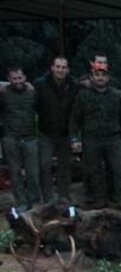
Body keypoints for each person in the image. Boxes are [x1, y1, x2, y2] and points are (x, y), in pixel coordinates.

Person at [68, 63, 121, 210]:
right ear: (92, 77)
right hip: (91, 138)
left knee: (119, 170)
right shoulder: (83, 95)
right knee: (94, 171)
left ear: (108, 77)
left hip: (114, 138)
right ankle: (98, 200)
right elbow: (75, 119)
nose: (100, 78)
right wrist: (75, 138)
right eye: (97, 75)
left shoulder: (118, 95)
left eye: (103, 75)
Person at [35, 56, 77, 204]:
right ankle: (47, 199)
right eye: (58, 66)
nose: (60, 70)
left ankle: (63, 197)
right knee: (44, 166)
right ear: (52, 68)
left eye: (63, 67)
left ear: (68, 70)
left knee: (64, 168)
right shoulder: (40, 84)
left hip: (65, 134)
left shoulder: (74, 85)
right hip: (45, 133)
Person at [1, 66, 41, 210]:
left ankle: (35, 201)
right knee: (15, 173)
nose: (17, 81)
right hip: (11, 139)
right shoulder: (4, 93)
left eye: (20, 78)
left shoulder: (32, 92)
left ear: (25, 78)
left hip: (30, 138)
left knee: (33, 173)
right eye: (14, 78)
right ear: (9, 80)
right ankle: (21, 203)